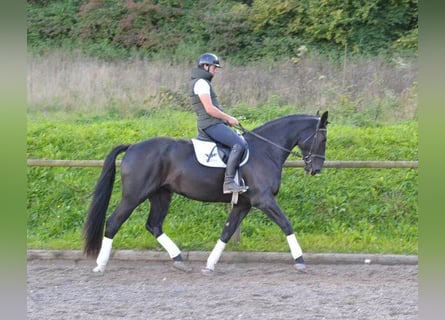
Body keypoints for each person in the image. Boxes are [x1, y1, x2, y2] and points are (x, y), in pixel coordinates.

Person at [189, 52, 248, 194]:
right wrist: (228, 118)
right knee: (238, 144)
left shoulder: (203, 82)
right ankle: (228, 183)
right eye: (214, 67)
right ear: (205, 66)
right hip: (210, 124)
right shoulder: (201, 83)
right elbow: (209, 109)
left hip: (212, 123)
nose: (215, 70)